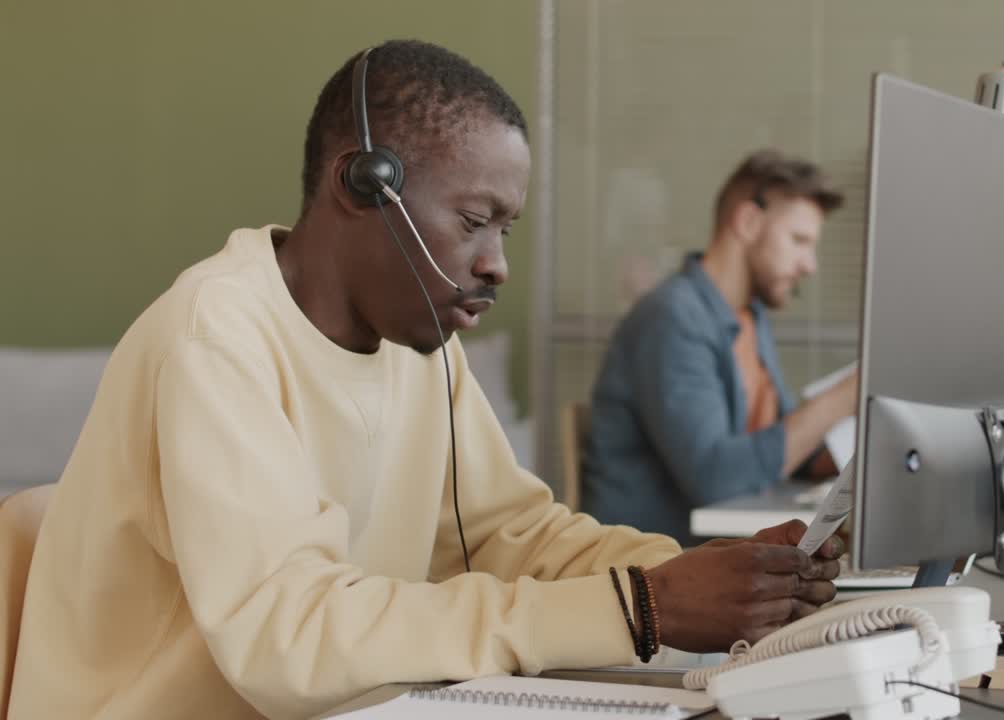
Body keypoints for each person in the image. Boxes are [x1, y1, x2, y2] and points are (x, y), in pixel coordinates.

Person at [8, 41, 841, 719]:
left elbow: (511, 536)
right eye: (475, 221)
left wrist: (702, 577)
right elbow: (285, 639)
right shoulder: (216, 335)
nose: (497, 264)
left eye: (505, 229)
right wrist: (638, 608)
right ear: (361, 184)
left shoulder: (420, 345)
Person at [583, 150, 857, 544]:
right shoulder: (673, 317)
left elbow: (775, 449)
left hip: (714, 552)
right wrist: (840, 400)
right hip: (651, 564)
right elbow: (716, 477)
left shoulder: (749, 317)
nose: (809, 265)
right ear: (747, 222)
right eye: (798, 240)